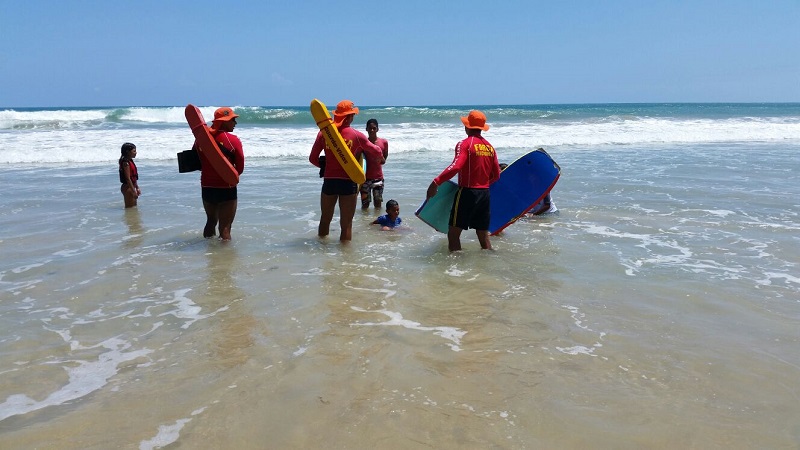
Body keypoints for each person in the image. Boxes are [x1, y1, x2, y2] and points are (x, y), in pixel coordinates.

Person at [309, 100, 384, 242]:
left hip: (329, 181)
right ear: (349, 117)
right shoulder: (357, 136)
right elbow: (376, 152)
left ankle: (321, 252)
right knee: (346, 224)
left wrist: (325, 166)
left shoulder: (323, 134)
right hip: (348, 182)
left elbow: (313, 158)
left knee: (325, 219)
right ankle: (345, 260)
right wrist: (379, 155)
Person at [426, 110, 500, 251]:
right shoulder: (490, 148)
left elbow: (456, 166)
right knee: (483, 236)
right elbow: (496, 175)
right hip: (485, 194)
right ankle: (489, 266)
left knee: (453, 234)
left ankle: (457, 269)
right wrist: (481, 184)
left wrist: (436, 182)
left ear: (467, 126)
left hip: (467, 192)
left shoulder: (465, 144)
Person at [196, 107, 244, 241]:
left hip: (207, 187)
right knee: (225, 228)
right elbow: (239, 168)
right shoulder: (233, 140)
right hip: (226, 187)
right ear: (224, 121)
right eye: (233, 120)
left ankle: (209, 252)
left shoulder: (201, 139)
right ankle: (224, 260)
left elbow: (196, 159)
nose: (235, 123)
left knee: (210, 221)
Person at [361, 118, 389, 209]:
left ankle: (377, 221)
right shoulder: (363, 143)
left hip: (378, 178)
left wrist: (381, 159)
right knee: (365, 204)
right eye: (370, 128)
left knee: (378, 204)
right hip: (365, 179)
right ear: (366, 129)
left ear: (377, 129)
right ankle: (364, 222)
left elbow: (384, 159)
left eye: (374, 128)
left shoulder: (383, 142)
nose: (372, 130)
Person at [119, 142, 140, 208]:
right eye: (134, 151)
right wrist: (133, 192)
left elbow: (133, 177)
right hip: (128, 188)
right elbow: (128, 178)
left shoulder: (130, 161)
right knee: (129, 208)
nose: (136, 153)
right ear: (128, 152)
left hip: (131, 187)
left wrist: (137, 187)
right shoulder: (126, 163)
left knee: (134, 208)